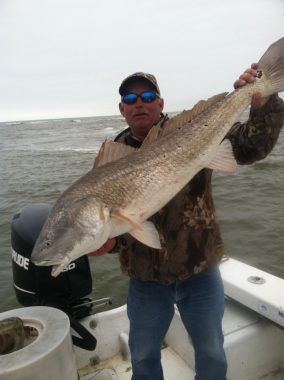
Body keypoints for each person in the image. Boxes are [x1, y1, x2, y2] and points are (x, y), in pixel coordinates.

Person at [90, 68, 284, 380]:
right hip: (144, 279)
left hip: (199, 270)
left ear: (160, 102)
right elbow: (117, 224)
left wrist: (263, 101)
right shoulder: (109, 162)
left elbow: (252, 146)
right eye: (130, 97)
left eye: (147, 96)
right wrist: (110, 242)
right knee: (142, 355)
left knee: (210, 351)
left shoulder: (194, 129)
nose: (139, 102)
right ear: (121, 109)